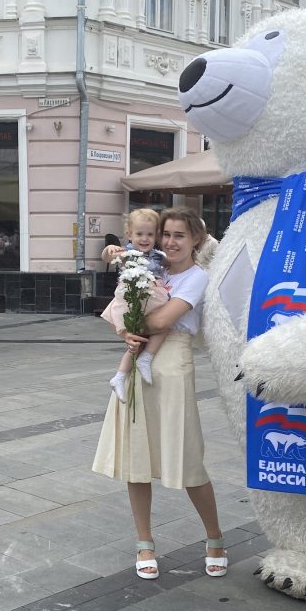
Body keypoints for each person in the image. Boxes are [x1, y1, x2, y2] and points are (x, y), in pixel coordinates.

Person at [92, 207, 227, 580]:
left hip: (172, 368)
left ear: (196, 239)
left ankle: (214, 537)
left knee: (188, 460)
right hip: (139, 361)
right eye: (166, 234)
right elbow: (121, 300)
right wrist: (124, 332)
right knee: (137, 457)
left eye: (179, 235)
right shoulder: (152, 266)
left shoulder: (198, 277)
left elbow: (165, 319)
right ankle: (144, 542)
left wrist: (128, 322)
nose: (170, 241)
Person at [101, 208, 170, 403]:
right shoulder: (127, 252)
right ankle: (137, 365)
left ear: (156, 235)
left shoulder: (158, 255)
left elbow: (171, 265)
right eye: (139, 234)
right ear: (129, 234)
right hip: (135, 297)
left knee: (156, 331)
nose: (145, 239)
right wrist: (110, 249)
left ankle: (123, 375)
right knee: (149, 332)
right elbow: (107, 257)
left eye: (150, 234)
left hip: (150, 298)